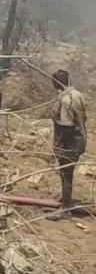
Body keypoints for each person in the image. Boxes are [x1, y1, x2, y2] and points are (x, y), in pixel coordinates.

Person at [48, 70, 87, 220]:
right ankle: (67, 199)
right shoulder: (77, 94)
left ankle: (65, 208)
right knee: (67, 172)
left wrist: (58, 144)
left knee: (66, 172)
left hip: (69, 141)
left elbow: (67, 126)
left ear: (55, 83)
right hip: (79, 138)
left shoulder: (65, 99)